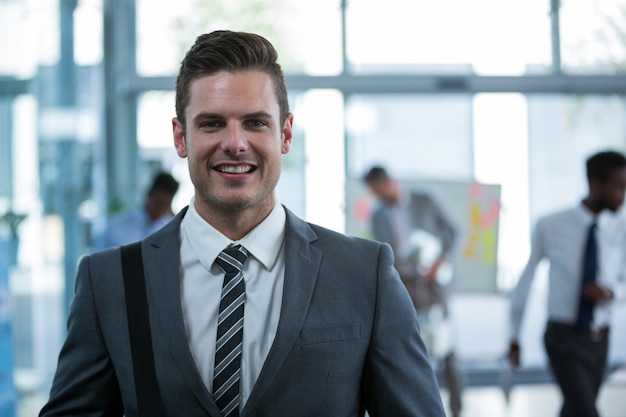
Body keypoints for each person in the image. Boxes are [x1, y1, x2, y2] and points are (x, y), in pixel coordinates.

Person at [40, 30, 445, 417]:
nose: (235, 143)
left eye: (255, 122)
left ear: (285, 134)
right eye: (212, 123)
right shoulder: (110, 281)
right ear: (181, 138)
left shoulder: (363, 274)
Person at [507, 150, 626, 417]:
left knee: (574, 410)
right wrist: (514, 335)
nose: (623, 195)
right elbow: (526, 278)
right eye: (618, 187)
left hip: (600, 340)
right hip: (562, 338)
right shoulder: (551, 225)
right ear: (595, 184)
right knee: (586, 411)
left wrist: (611, 292)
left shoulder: (621, 229)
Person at [363, 166, 463, 417]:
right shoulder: (378, 216)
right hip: (405, 287)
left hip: (435, 284)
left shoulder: (424, 199)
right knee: (413, 346)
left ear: (388, 182)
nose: (377, 195)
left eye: (377, 189)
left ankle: (457, 408)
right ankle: (424, 407)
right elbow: (382, 253)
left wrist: (440, 261)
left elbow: (454, 231)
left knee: (447, 343)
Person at [95, 171, 180, 249]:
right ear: (149, 193)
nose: (161, 210)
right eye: (159, 203)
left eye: (166, 204)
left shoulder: (172, 231)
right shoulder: (115, 229)